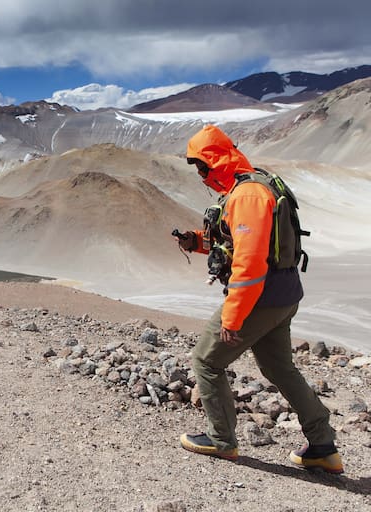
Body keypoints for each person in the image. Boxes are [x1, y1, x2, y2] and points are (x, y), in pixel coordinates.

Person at [174, 124, 343, 474]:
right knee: (279, 367)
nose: (201, 175)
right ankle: (323, 447)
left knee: (206, 360)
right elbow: (246, 244)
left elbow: (249, 264)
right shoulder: (252, 185)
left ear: (214, 160)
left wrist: (233, 318)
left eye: (201, 167)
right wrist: (198, 242)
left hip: (260, 298)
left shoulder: (247, 195)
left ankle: (221, 440)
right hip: (283, 294)